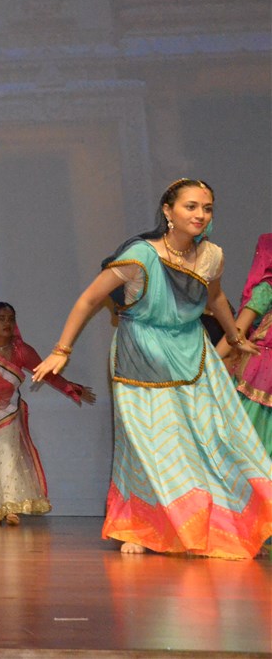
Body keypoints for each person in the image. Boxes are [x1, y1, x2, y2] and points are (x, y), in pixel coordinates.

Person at [33, 179, 272, 558]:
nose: (200, 215)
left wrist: (234, 335)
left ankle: (215, 521)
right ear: (168, 211)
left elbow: (216, 297)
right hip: (140, 352)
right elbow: (89, 299)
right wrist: (62, 350)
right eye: (191, 206)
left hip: (193, 352)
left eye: (207, 208)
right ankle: (142, 527)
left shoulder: (211, 256)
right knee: (149, 446)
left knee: (216, 437)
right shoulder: (141, 256)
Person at [0, 302, 95, 525]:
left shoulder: (21, 351)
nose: (7, 323)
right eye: (1, 318)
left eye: (11, 318)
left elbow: (46, 372)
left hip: (8, 410)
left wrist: (70, 388)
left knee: (7, 454)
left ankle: (11, 507)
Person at [216, 233, 272, 456]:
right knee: (255, 452)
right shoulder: (267, 288)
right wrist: (205, 365)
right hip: (263, 375)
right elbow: (237, 330)